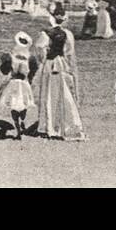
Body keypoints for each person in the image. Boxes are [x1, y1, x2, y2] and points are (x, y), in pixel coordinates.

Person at [32, 11, 85, 141]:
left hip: (50, 64)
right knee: (64, 93)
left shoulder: (45, 34)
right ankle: (66, 124)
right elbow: (69, 52)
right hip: (61, 63)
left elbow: (39, 49)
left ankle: (49, 126)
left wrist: (43, 58)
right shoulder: (68, 34)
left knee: (49, 94)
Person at [0, 31, 39, 140]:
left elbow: (4, 71)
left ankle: (18, 127)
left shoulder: (10, 56)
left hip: (13, 83)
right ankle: (21, 122)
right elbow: (33, 71)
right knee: (23, 105)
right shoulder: (30, 58)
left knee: (14, 106)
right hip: (23, 84)